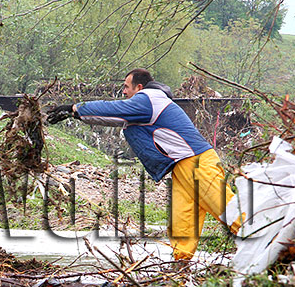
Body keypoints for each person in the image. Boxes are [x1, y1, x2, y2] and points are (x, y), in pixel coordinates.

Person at [47, 68, 241, 261]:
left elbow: (114, 109)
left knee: (229, 212)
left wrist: (74, 107)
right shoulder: (145, 105)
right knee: (182, 227)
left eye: (126, 87)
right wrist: (75, 114)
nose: (123, 92)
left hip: (198, 164)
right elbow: (112, 118)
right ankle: (180, 273)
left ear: (139, 87)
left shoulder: (148, 98)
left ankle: (266, 245)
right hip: (182, 167)